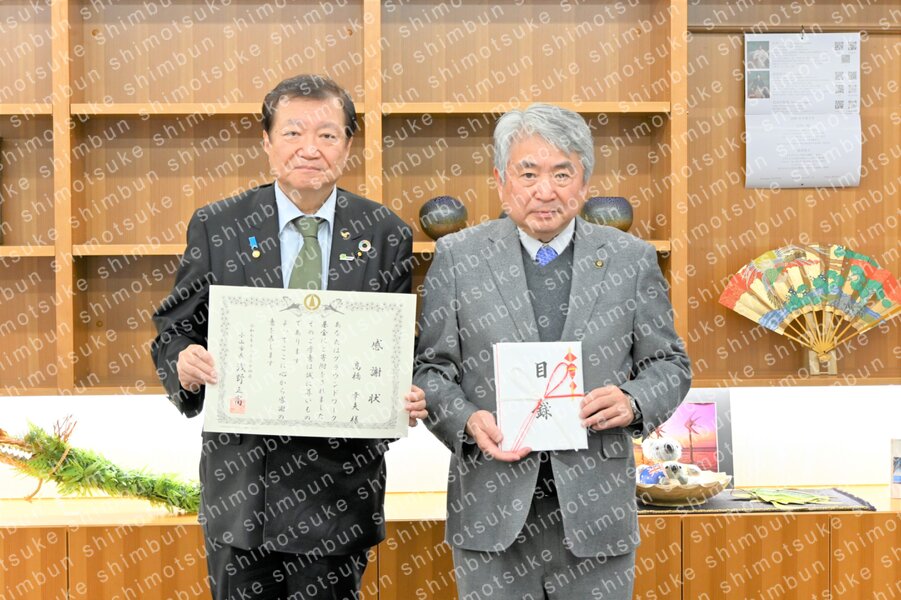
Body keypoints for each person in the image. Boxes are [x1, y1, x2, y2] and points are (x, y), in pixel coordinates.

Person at [152, 74, 427, 600]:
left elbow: (398, 347)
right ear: (266, 141)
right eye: (293, 133)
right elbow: (175, 329)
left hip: (340, 488)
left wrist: (408, 391)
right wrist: (183, 360)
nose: (309, 148)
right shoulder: (219, 225)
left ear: (348, 145)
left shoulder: (384, 233)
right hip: (244, 486)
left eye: (327, 135)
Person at [413, 103, 691, 599]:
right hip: (491, 509)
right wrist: (466, 420)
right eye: (528, 173)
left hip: (596, 511)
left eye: (562, 174)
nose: (545, 190)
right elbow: (431, 370)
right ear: (501, 181)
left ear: (584, 183)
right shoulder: (458, 257)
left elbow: (669, 364)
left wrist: (633, 401)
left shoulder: (630, 259)